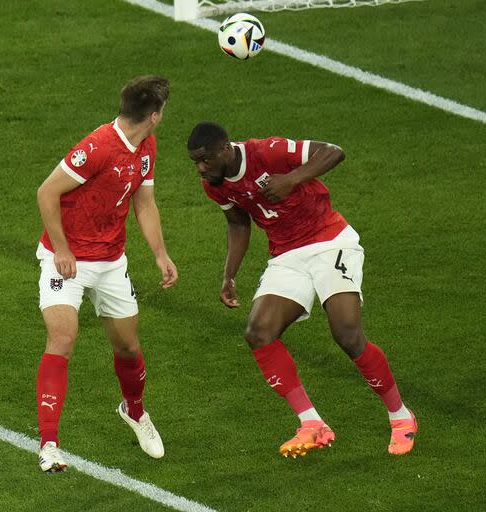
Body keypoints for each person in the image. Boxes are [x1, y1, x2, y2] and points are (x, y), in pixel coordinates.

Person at [186, 122, 417, 457]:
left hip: (329, 241)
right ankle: (312, 423)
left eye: (205, 160)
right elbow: (238, 223)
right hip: (287, 255)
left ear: (225, 150)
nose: (201, 168)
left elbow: (333, 151)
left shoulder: (267, 152)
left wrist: (291, 179)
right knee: (258, 331)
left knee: (347, 335)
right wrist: (228, 276)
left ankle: (400, 416)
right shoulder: (215, 185)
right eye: (195, 162)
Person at [35, 76, 178, 473]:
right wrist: (62, 249)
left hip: (112, 261)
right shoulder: (97, 147)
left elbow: (144, 203)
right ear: (153, 115)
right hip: (68, 261)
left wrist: (160, 254)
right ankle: (49, 444)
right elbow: (46, 192)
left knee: (129, 348)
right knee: (62, 337)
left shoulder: (146, 145)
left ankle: (134, 411)